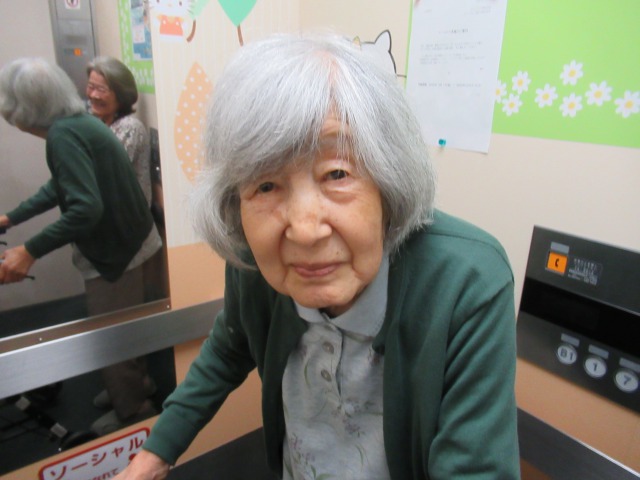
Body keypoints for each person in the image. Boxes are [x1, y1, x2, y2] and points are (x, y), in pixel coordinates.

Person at [116, 33, 520, 480]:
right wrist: (153, 456)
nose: (305, 231)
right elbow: (229, 346)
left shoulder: (467, 283)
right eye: (265, 185)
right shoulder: (255, 262)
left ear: (390, 182)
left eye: (337, 173)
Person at [0, 57, 160, 434]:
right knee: (128, 327)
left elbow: (86, 208)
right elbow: (62, 185)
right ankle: (137, 386)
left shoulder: (63, 136)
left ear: (22, 109)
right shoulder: (78, 124)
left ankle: (133, 409)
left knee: (112, 336)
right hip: (135, 240)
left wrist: (29, 251)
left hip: (118, 253)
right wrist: (12, 218)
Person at [86, 56, 168, 303]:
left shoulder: (130, 128)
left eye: (102, 89)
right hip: (109, 235)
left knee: (120, 309)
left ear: (121, 93)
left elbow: (97, 176)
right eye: (91, 86)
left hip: (128, 237)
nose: (93, 95)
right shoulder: (97, 123)